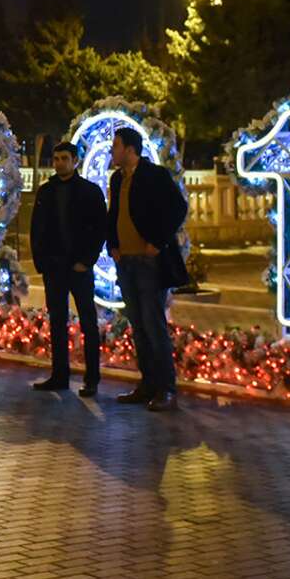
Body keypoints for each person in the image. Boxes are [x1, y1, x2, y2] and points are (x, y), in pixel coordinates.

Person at [103, 126, 190, 412]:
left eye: (116, 146)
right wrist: (112, 245)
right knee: (138, 326)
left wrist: (157, 241)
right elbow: (114, 213)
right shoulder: (117, 179)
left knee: (154, 325)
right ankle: (147, 384)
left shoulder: (154, 175)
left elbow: (178, 208)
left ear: (130, 149)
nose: (112, 151)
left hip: (148, 260)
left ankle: (166, 389)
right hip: (125, 260)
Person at [29, 140, 108, 397]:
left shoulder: (89, 191)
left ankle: (92, 378)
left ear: (75, 161)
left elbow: (99, 229)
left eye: (64, 158)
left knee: (88, 322)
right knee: (57, 322)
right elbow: (37, 229)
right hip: (54, 268)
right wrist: (42, 262)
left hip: (80, 268)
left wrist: (87, 260)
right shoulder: (46, 192)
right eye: (56, 159)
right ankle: (59, 375)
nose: (60, 163)